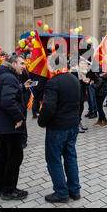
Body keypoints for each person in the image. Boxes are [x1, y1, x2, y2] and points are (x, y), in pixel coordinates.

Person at [38, 57, 81, 203]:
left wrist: (41, 121)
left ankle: (62, 193)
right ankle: (75, 191)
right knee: (70, 156)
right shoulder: (74, 79)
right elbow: (79, 102)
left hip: (58, 127)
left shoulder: (53, 82)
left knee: (53, 159)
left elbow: (49, 107)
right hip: (73, 125)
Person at [0, 55, 31, 201]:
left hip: (3, 123)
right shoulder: (9, 77)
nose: (24, 66)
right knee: (15, 156)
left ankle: (0, 187)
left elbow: (4, 94)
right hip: (10, 124)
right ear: (13, 63)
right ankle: (9, 190)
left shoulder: (2, 75)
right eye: (21, 64)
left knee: (2, 155)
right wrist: (19, 118)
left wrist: (22, 87)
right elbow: (8, 101)